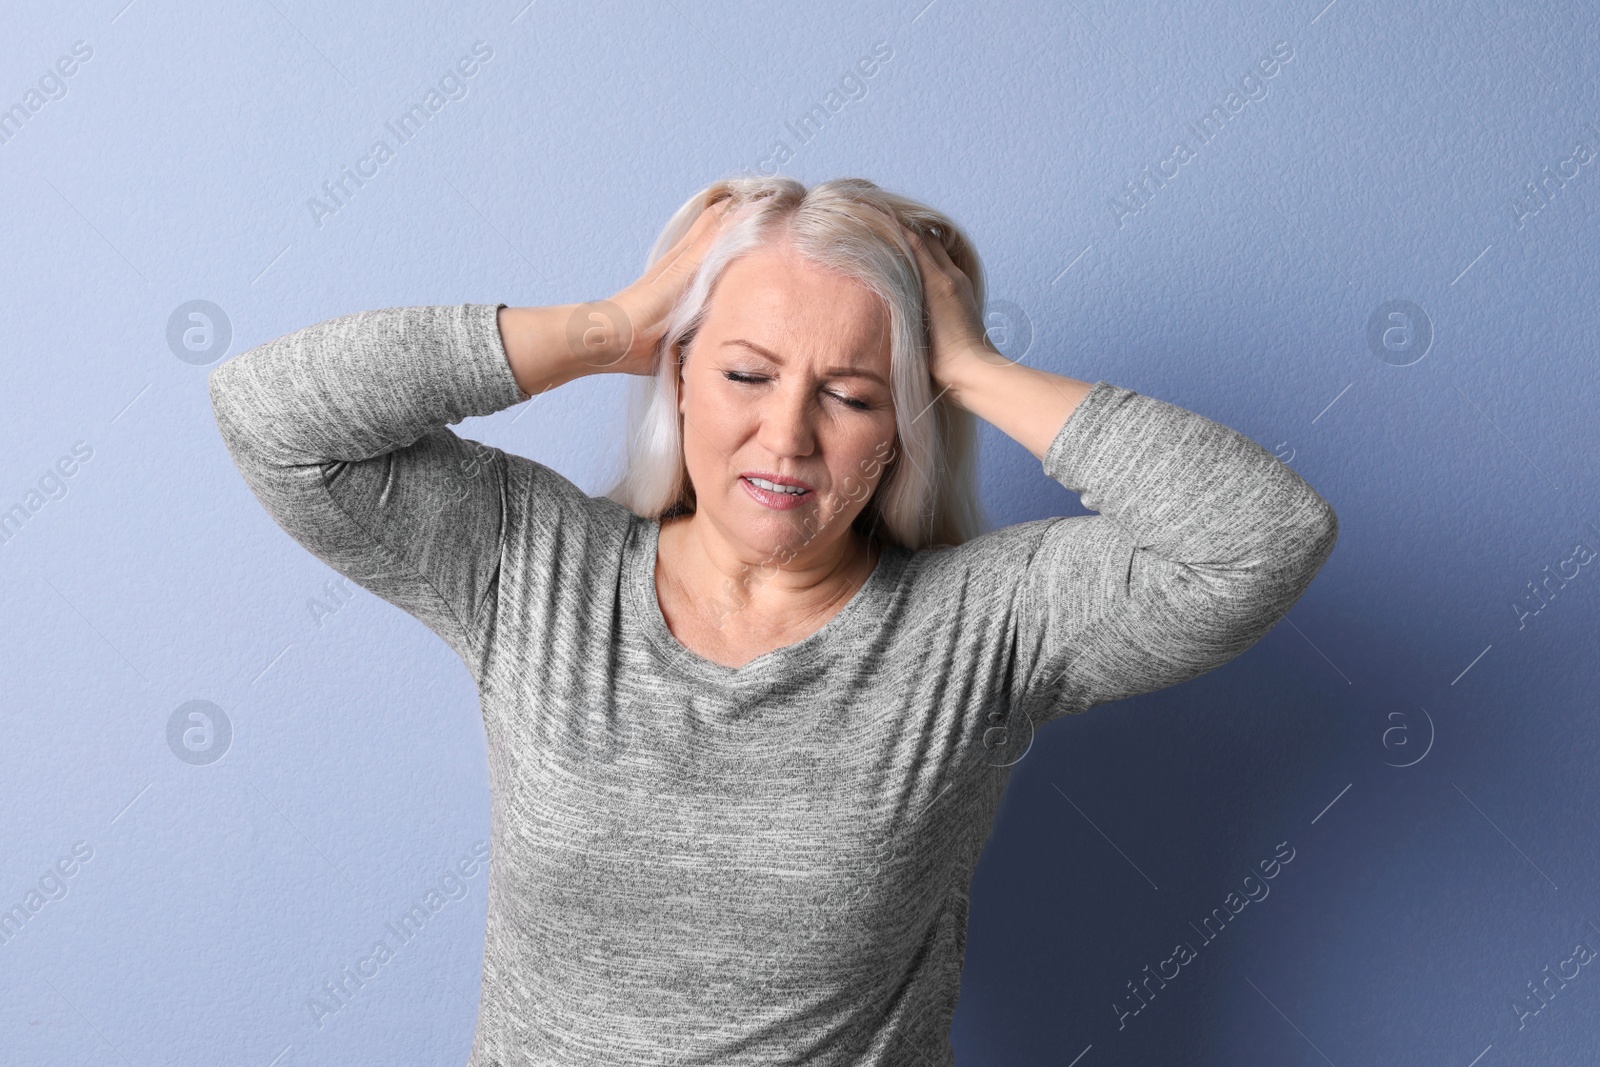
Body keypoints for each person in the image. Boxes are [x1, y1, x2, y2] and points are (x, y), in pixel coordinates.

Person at [207, 175, 1338, 1066]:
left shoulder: (983, 625)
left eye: (850, 394)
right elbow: (272, 415)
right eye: (746, 373)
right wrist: (612, 323)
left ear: (903, 425)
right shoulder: (532, 563)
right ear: (682, 375)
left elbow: (1259, 537)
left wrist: (966, 365)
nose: (787, 436)